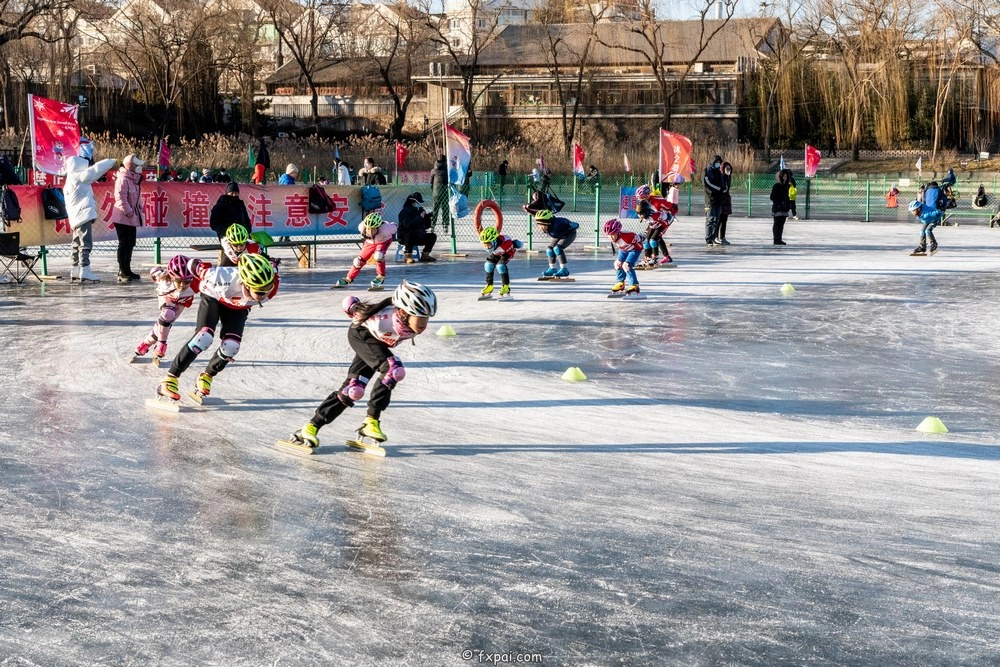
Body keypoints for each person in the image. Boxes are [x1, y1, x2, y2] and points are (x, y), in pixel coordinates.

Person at [284, 280, 438, 450]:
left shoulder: (407, 323)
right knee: (393, 370)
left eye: (427, 318)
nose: (424, 324)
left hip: (376, 343)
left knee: (353, 390)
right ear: (403, 312)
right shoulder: (381, 318)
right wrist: (353, 307)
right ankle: (372, 421)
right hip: (361, 335)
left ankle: (310, 428)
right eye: (420, 317)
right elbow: (354, 310)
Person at [156, 253, 279, 403]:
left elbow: (273, 269)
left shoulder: (273, 282)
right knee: (203, 338)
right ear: (245, 283)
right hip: (213, 296)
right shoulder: (221, 277)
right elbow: (192, 264)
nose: (265, 293)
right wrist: (196, 269)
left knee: (231, 347)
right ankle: (169, 379)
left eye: (268, 287)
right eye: (259, 290)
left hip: (238, 307)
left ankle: (206, 376)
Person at [64, 138, 117, 282]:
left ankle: (75, 268)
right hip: (83, 216)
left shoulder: (69, 180)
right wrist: (111, 161)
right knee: (85, 243)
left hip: (75, 217)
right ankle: (85, 269)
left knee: (76, 243)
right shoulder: (80, 177)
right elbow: (95, 170)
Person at [133, 254, 199, 366]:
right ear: (172, 277)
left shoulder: (197, 283)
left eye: (187, 281)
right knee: (168, 314)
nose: (182, 285)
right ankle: (161, 345)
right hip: (167, 297)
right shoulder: (164, 281)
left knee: (163, 327)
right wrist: (155, 271)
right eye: (179, 281)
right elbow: (155, 273)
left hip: (182, 302)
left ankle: (145, 344)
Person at [334, 212, 397, 289]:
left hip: (383, 241)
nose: (370, 231)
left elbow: (395, 226)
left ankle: (381, 276)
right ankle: (348, 278)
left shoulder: (386, 229)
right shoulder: (361, 227)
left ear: (378, 227)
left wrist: (393, 228)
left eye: (373, 229)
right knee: (358, 261)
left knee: (378, 256)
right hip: (369, 242)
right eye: (368, 228)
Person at [109, 154, 145, 282]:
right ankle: (122, 270)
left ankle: (127, 269)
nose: (140, 167)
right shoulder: (123, 179)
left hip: (131, 216)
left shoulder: (134, 179)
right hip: (123, 217)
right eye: (137, 165)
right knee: (124, 243)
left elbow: (136, 198)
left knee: (130, 243)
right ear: (131, 166)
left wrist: (139, 207)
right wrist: (129, 212)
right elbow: (120, 198)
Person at [602, 218, 644, 297]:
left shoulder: (628, 236)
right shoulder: (614, 238)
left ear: (618, 232)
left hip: (634, 250)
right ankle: (620, 283)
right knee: (617, 264)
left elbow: (642, 238)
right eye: (609, 235)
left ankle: (634, 285)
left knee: (626, 265)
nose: (611, 237)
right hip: (624, 249)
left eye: (613, 234)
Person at [635, 186, 674, 267]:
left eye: (641, 197)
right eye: (638, 198)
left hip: (664, 221)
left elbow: (670, 207)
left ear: (647, 196)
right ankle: (648, 258)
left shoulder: (656, 202)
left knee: (654, 239)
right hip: (654, 222)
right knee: (646, 240)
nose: (639, 200)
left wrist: (669, 213)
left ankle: (655, 257)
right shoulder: (642, 205)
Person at [479, 226, 522, 298]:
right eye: (485, 245)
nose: (487, 247)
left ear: (494, 241)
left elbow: (515, 244)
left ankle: (506, 286)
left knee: (500, 266)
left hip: (507, 253)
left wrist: (518, 244)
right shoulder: (494, 245)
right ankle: (489, 285)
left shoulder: (506, 244)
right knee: (488, 265)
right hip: (497, 253)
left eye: (488, 245)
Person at [535, 209, 578, 277]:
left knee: (557, 248)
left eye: (543, 224)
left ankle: (564, 269)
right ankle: (552, 268)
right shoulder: (548, 225)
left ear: (549, 222)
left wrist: (572, 225)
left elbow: (573, 224)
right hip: (559, 235)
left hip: (569, 234)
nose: (541, 227)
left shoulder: (559, 223)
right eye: (539, 224)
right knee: (549, 250)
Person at [397, 192, 436, 263]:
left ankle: (425, 255)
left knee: (432, 236)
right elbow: (408, 225)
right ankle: (408, 255)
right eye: (417, 203)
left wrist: (427, 217)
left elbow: (426, 226)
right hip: (405, 237)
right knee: (411, 233)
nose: (418, 204)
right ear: (412, 203)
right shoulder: (405, 212)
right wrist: (420, 217)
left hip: (418, 236)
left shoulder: (418, 211)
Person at [703, 155, 726, 246]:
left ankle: (713, 237)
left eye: (719, 162)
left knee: (716, 220)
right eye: (716, 162)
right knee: (710, 220)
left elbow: (723, 183)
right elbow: (707, 183)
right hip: (709, 200)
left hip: (718, 200)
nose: (718, 164)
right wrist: (718, 188)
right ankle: (708, 239)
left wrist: (723, 188)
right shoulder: (706, 171)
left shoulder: (719, 172)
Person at [770, 169, 792, 245]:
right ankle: (776, 239)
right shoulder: (777, 186)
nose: (785, 178)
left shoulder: (787, 186)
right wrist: (779, 203)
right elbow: (772, 197)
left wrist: (788, 204)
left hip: (784, 208)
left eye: (786, 176)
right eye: (783, 176)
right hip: (778, 208)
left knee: (781, 225)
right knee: (777, 224)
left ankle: (779, 239)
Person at [430, 153, 449, 232]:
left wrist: (434, 191)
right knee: (445, 209)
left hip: (436, 193)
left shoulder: (433, 171)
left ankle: (432, 224)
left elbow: (431, 183)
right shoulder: (447, 171)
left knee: (435, 209)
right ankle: (445, 225)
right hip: (445, 193)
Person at [716, 161, 733, 244]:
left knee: (724, 220)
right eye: (726, 168)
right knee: (719, 220)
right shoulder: (720, 176)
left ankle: (723, 237)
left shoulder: (728, 177)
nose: (728, 170)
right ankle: (716, 237)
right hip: (720, 199)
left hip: (726, 199)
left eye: (729, 168)